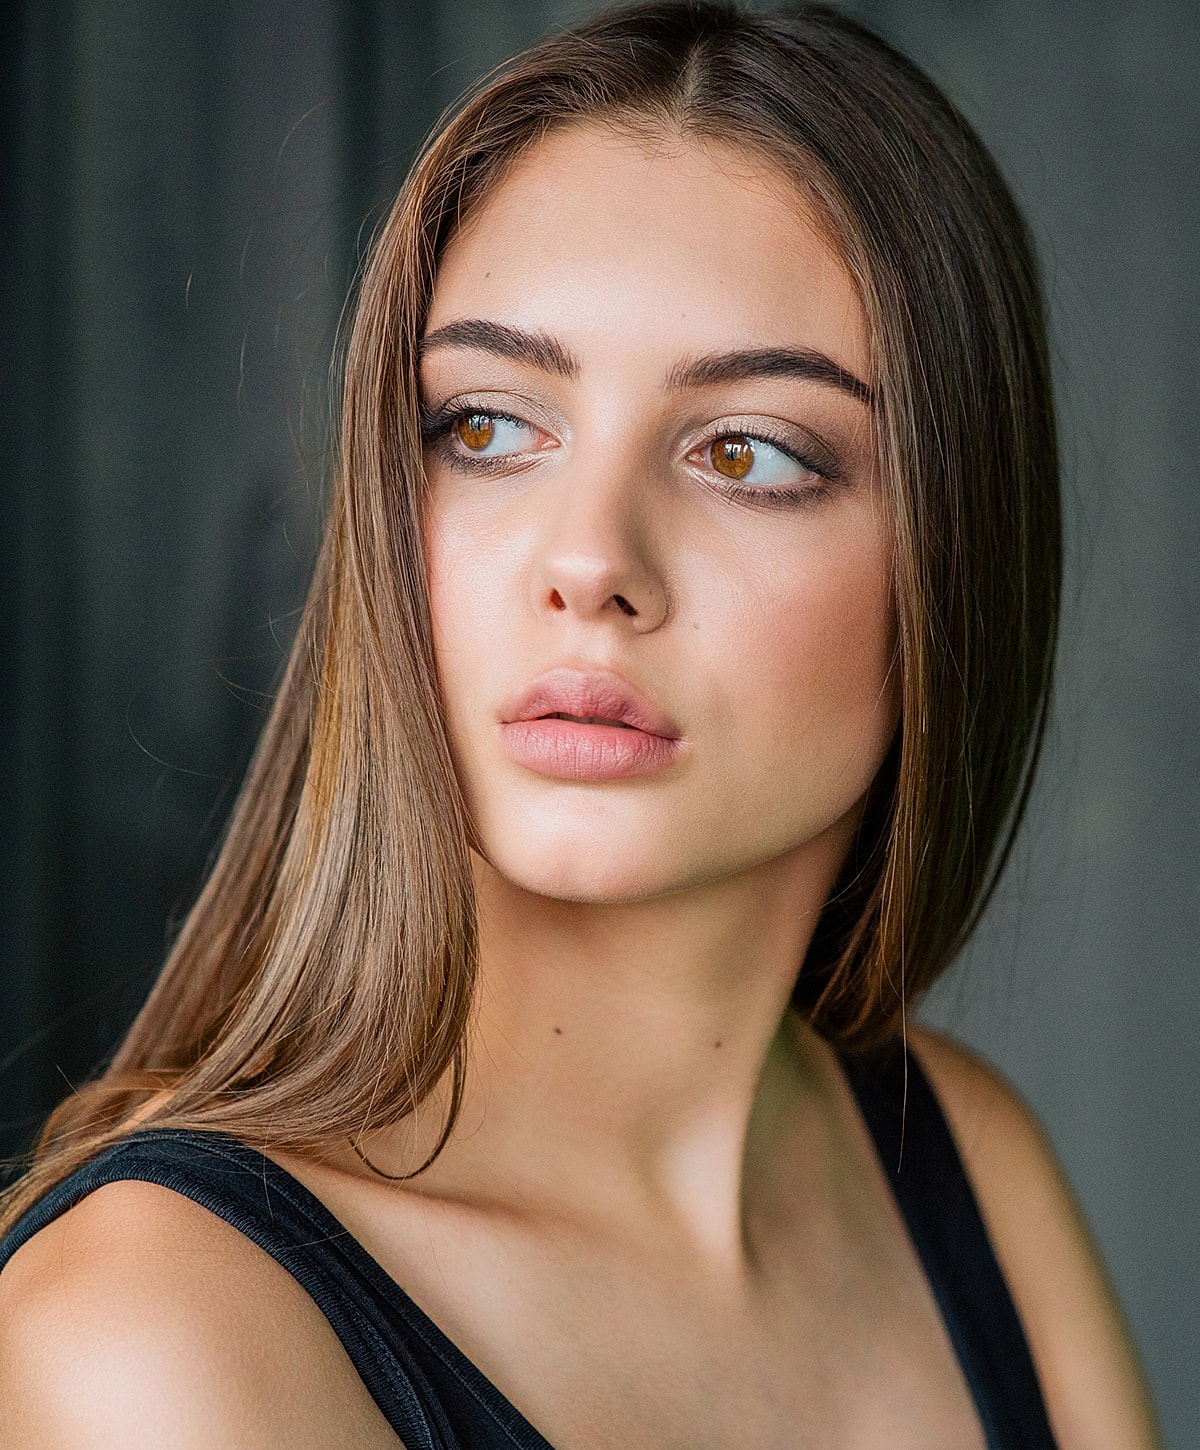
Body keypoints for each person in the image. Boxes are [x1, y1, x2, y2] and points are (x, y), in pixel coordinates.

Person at [0, 2, 1162, 1446]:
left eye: (747, 451)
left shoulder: (959, 1162)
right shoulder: (158, 1328)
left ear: (956, 560)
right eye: (487, 425)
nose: (587, 558)